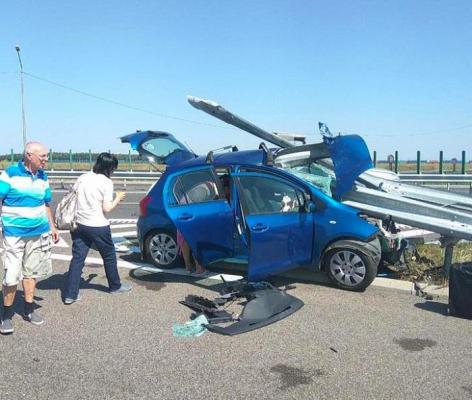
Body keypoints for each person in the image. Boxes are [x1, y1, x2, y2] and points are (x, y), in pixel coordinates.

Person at [0, 142, 59, 335]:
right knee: (11, 276)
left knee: (31, 273)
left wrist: (52, 227)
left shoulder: (43, 176)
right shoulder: (10, 174)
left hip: (38, 232)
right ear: (28, 155)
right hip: (14, 234)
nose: (46, 159)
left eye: (46, 156)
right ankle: (7, 316)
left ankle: (28, 308)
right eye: (42, 156)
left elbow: (46, 204)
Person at [63, 152, 131, 304]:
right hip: (97, 225)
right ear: (109, 167)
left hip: (79, 224)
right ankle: (115, 286)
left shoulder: (83, 177)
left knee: (78, 259)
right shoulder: (106, 182)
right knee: (109, 255)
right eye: (113, 168)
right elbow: (106, 208)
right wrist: (118, 198)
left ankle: (70, 295)